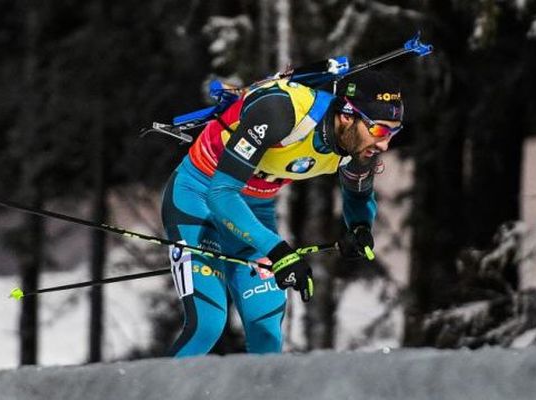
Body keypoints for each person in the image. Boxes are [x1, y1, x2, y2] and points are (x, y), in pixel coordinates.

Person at [161, 69, 404, 357]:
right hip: (199, 198)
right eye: (379, 130)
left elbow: (358, 194)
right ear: (347, 115)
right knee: (208, 324)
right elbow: (221, 195)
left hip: (254, 211)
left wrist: (360, 228)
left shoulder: (360, 148)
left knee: (267, 335)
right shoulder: (281, 110)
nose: (384, 144)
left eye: (394, 131)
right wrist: (277, 251)